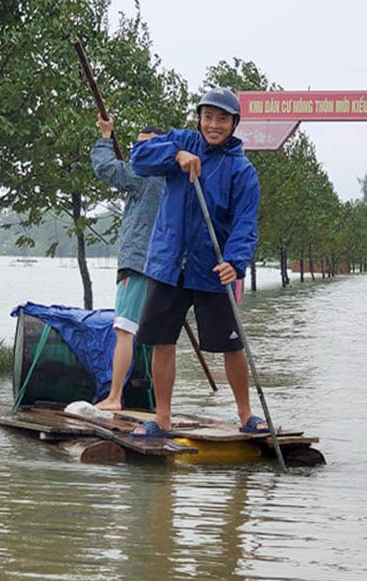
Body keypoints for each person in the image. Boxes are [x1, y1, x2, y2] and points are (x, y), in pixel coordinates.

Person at [129, 87, 268, 437]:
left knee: (231, 344)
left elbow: (244, 224)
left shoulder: (243, 171)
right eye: (208, 117)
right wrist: (175, 154)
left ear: (235, 123)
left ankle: (247, 414)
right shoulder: (183, 142)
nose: (214, 125)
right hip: (168, 263)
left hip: (213, 269)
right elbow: (139, 157)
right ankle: (161, 419)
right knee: (162, 340)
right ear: (199, 118)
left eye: (222, 118)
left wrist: (235, 263)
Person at [90, 116, 166, 411]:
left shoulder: (145, 173)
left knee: (124, 330)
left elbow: (106, 168)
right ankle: (160, 405)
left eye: (143, 147)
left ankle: (114, 397)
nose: (138, 152)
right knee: (159, 337)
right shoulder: (171, 176)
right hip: (163, 266)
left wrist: (105, 137)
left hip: (137, 263)